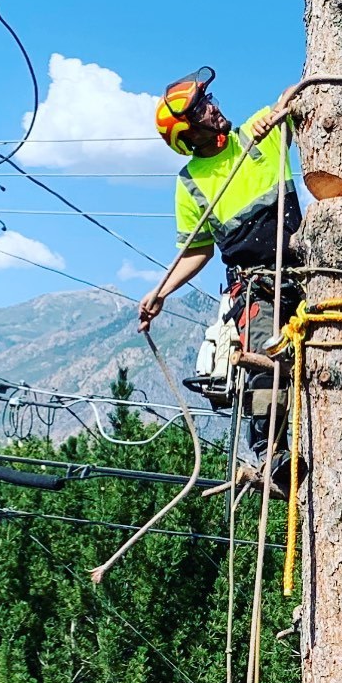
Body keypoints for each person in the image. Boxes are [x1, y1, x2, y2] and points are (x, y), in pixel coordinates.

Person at [138, 66, 303, 470]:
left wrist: (281, 109)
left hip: (303, 271)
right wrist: (160, 292)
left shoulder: (255, 136)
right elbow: (197, 251)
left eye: (208, 101)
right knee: (267, 362)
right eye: (201, 110)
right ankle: (272, 453)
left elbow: (296, 95)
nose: (213, 108)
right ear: (187, 134)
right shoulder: (191, 181)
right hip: (256, 287)